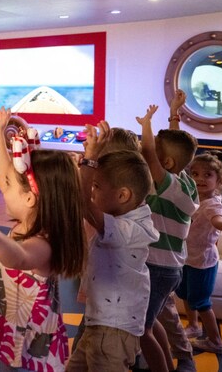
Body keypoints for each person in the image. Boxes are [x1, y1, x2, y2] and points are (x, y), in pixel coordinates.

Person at [0, 107, 86, 372]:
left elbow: (20, 258)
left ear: (30, 199)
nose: (2, 186)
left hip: (24, 347)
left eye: (8, 185)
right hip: (7, 331)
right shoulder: (28, 224)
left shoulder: (43, 245)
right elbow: (2, 172)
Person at [66, 123, 158, 371]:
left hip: (113, 330)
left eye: (97, 187)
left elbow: (83, 201)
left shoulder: (127, 230)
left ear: (122, 195)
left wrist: (90, 160)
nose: (92, 192)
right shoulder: (126, 218)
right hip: (101, 322)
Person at [135, 104, 199, 372]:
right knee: (152, 323)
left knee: (141, 330)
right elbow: (174, 147)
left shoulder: (171, 188)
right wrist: (173, 115)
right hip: (164, 267)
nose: (145, 149)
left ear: (167, 164)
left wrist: (147, 125)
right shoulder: (184, 180)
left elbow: (150, 153)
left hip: (158, 269)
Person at [177, 152, 222, 354]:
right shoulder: (195, 198)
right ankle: (193, 325)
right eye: (195, 174)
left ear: (219, 180)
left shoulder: (213, 204)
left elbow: (218, 222)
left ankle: (216, 341)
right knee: (184, 293)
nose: (200, 178)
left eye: (207, 175)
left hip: (203, 262)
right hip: (187, 257)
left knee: (201, 302)